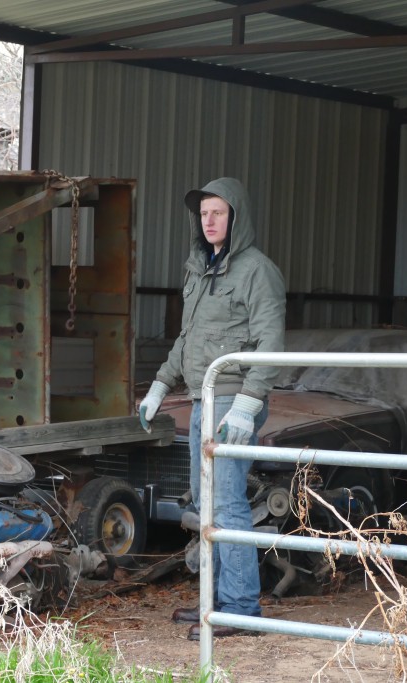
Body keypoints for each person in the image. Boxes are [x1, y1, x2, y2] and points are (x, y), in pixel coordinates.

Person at [138, 177, 286, 640]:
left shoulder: (257, 271)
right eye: (203, 213)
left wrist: (247, 404)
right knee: (205, 505)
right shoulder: (199, 267)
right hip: (204, 395)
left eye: (218, 212)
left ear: (235, 216)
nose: (209, 220)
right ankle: (217, 601)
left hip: (234, 398)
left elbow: (270, 342)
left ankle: (241, 608)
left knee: (226, 504)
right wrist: (161, 385)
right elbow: (187, 340)